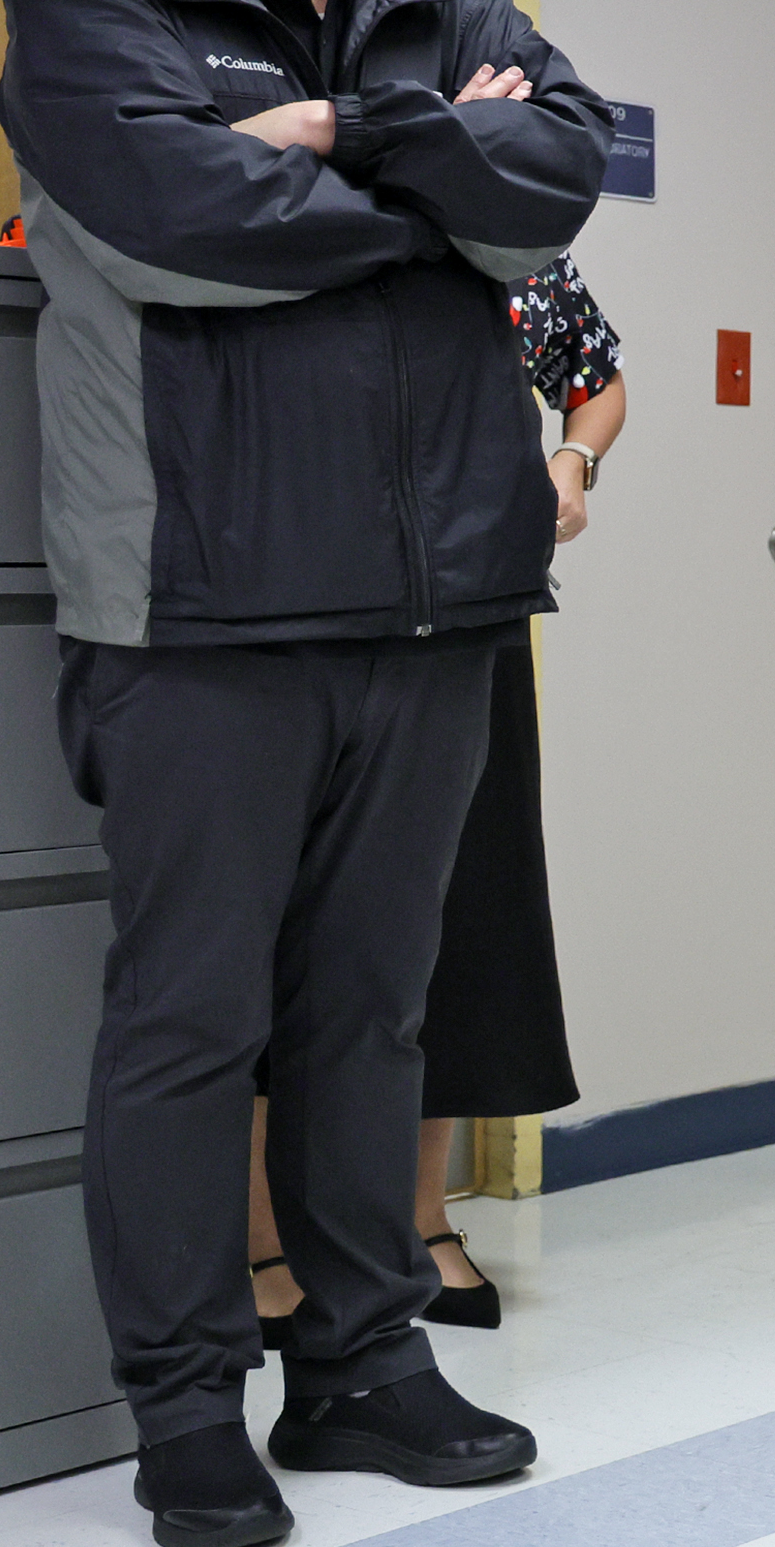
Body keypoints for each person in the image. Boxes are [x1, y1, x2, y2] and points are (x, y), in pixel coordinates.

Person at [0, 0, 611, 1547]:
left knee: (372, 1016)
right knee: (189, 1024)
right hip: (201, 612)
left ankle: (364, 1366)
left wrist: (347, 135)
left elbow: (565, 183)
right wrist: (436, 166)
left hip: (433, 607)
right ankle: (189, 1406)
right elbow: (187, 230)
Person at [250, 255, 622, 1342]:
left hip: (471, 608)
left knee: (459, 907)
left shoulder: (515, 260)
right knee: (287, 913)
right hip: (305, 604)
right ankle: (262, 1235)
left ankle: (423, 1218)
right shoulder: (310, 221)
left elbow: (595, 375)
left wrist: (571, 461)